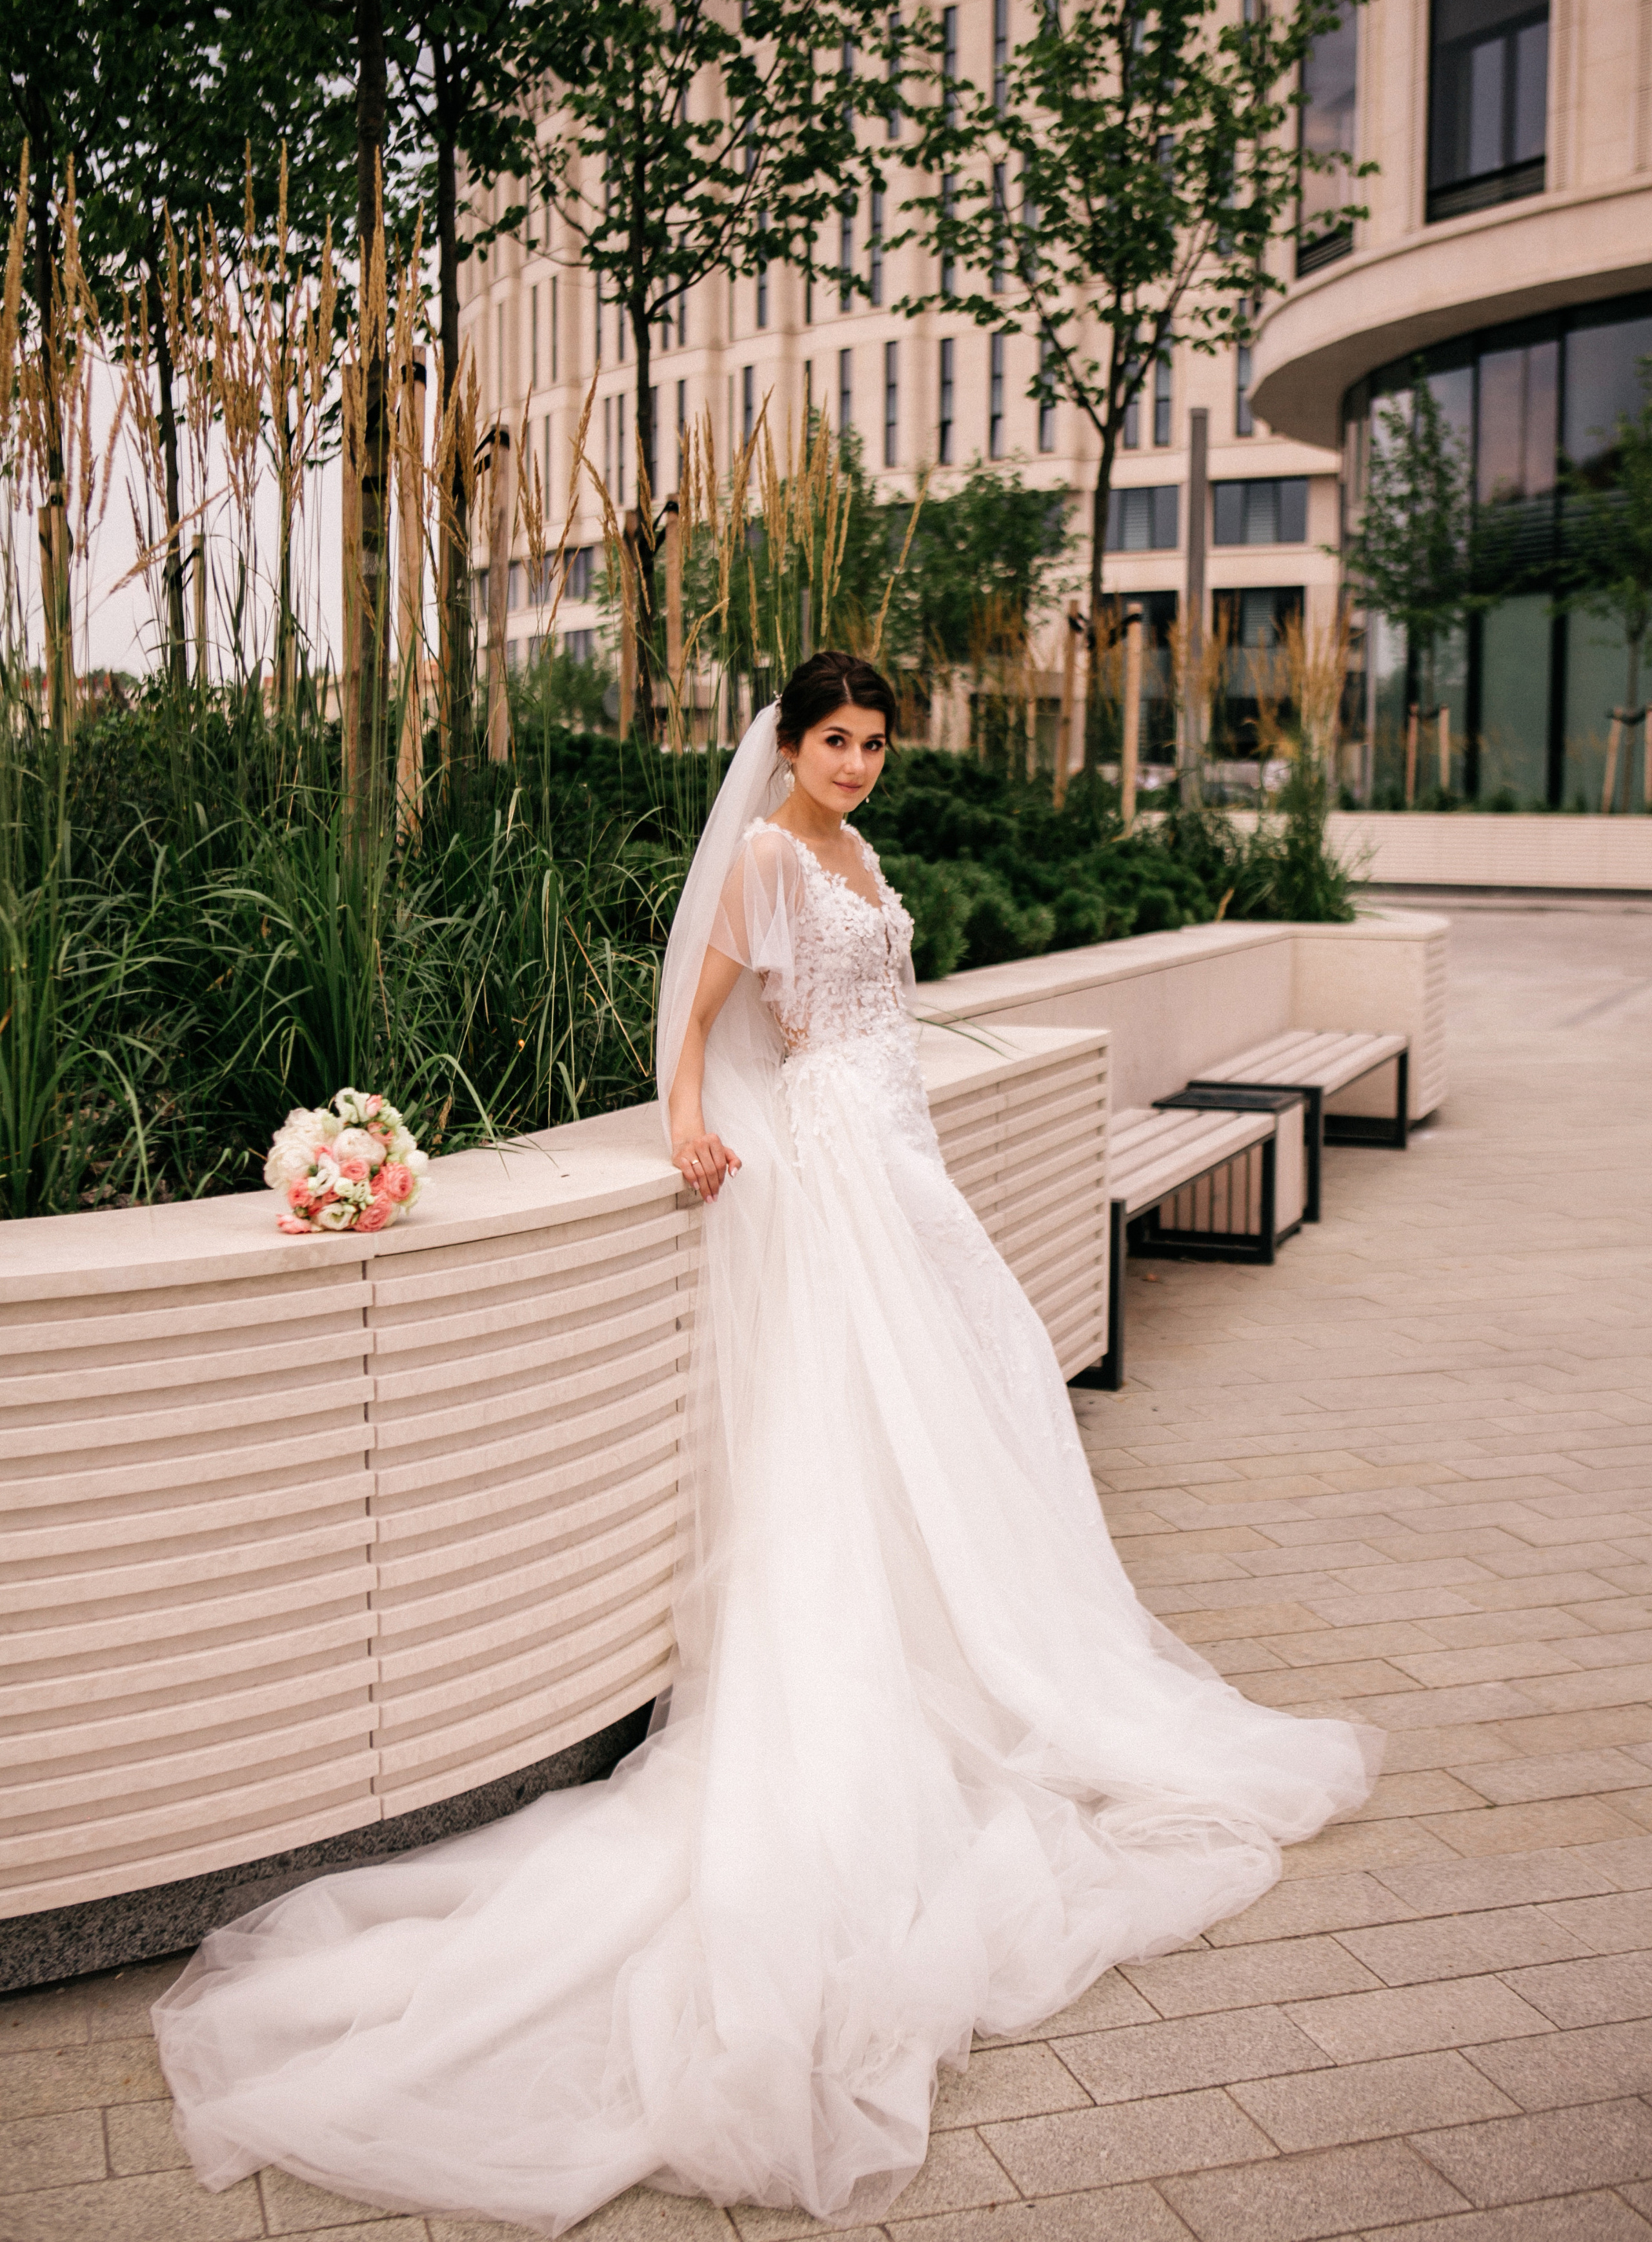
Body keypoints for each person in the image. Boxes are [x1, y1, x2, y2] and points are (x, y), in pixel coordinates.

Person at [154, 652, 1381, 2237]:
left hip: (898, 1151)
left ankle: (990, 1645)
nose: (856, 765)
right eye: (832, 742)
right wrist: (680, 1115)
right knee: (874, 1417)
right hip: (830, 1160)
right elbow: (706, 1001)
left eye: (874, 744)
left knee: (974, 1392)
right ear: (783, 746)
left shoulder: (858, 852)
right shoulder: (765, 850)